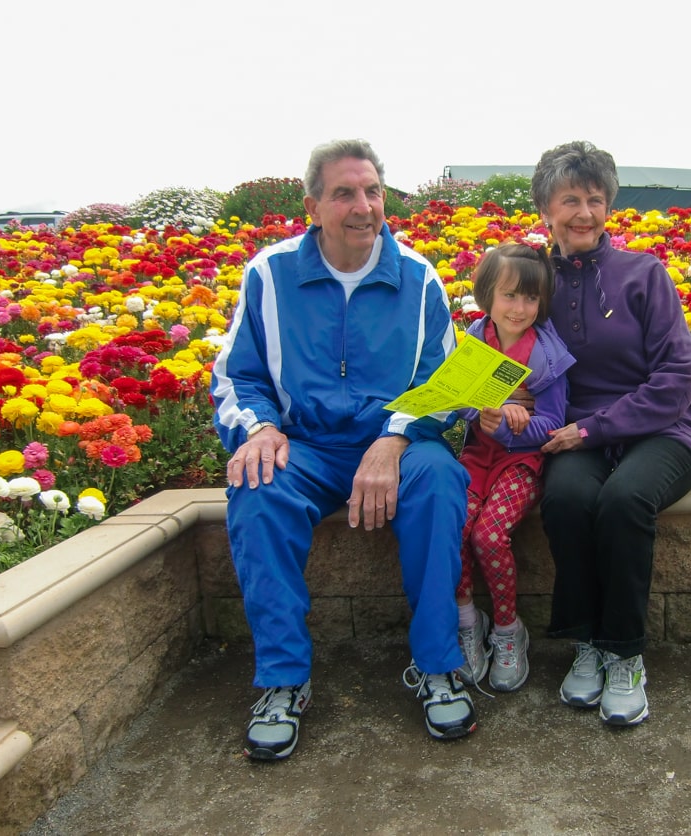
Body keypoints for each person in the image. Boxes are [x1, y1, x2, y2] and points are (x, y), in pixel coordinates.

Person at [211, 139, 476, 760]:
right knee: (257, 487)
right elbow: (235, 375)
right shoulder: (269, 274)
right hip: (303, 445)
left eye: (373, 191)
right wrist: (259, 429)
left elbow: (449, 383)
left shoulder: (418, 276)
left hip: (401, 442)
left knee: (441, 484)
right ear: (313, 205)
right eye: (344, 193)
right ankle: (283, 681)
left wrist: (393, 437)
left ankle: (437, 665)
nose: (363, 207)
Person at [533, 141, 691, 727]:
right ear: (545, 212)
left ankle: (625, 654)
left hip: (664, 427)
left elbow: (678, 376)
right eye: (569, 200)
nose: (584, 212)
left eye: (594, 199)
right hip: (575, 433)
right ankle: (586, 643)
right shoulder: (534, 280)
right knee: (566, 498)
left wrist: (595, 427)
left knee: (625, 499)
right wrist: (485, 404)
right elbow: (502, 344)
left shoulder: (644, 273)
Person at [451, 244, 576, 692]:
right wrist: (479, 412)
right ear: (487, 295)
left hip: (520, 462)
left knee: (488, 534)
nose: (519, 308)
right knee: (455, 526)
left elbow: (551, 425)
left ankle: (507, 630)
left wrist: (510, 426)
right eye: (509, 296)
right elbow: (457, 401)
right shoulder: (473, 339)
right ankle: (467, 621)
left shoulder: (547, 355)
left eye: (530, 298)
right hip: (474, 459)